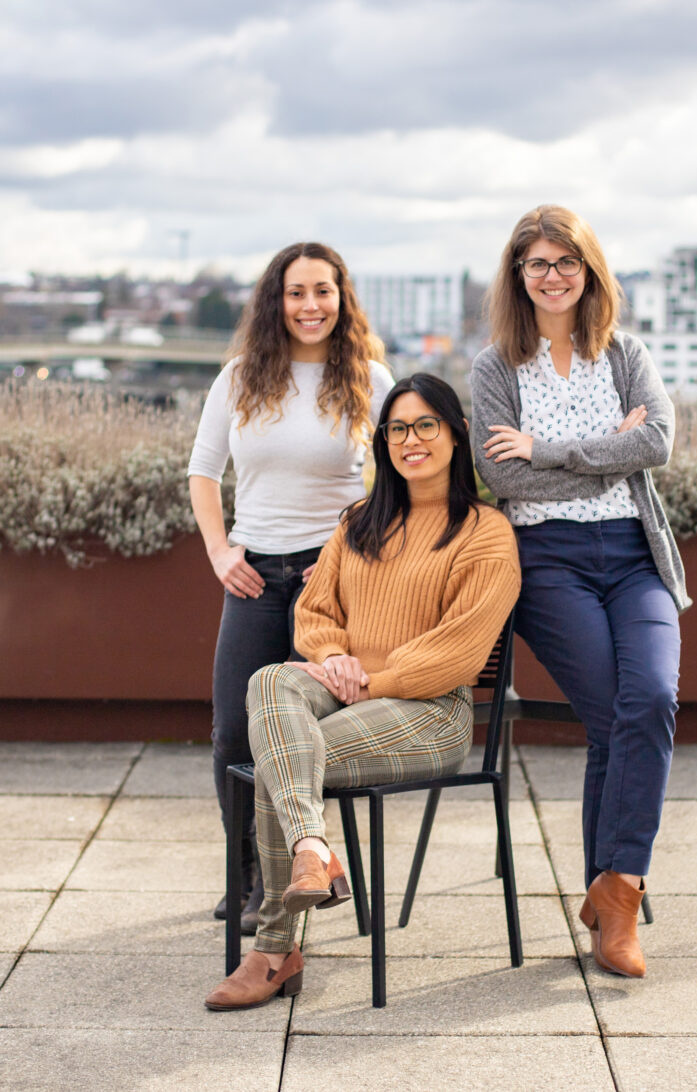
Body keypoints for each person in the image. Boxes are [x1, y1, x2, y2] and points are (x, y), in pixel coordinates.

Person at [205, 373, 519, 1010]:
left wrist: (371, 678)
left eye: (426, 425)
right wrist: (332, 655)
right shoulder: (358, 522)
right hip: (347, 689)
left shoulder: (486, 533)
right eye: (398, 428)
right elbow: (314, 613)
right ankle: (314, 848)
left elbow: (457, 650)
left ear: (456, 435)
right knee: (270, 680)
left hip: (430, 712)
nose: (411, 440)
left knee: (280, 756)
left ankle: (273, 949)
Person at [470, 204, 684, 980]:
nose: (553, 276)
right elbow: (503, 475)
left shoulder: (624, 353)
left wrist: (549, 447)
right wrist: (608, 452)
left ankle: (612, 887)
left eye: (567, 262)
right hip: (548, 561)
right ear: (518, 276)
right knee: (612, 714)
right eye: (538, 264)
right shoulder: (496, 368)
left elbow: (655, 443)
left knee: (652, 699)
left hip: (634, 555)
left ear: (588, 271)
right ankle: (619, 899)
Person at [186, 242, 395, 931]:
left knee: (301, 736)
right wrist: (220, 552)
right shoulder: (240, 377)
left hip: (329, 582)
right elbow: (203, 472)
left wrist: (349, 549)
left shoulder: (370, 378)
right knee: (231, 735)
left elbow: (404, 481)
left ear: (343, 298)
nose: (311, 306)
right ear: (276, 301)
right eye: (297, 292)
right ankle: (243, 871)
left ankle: (278, 885)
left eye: (323, 291)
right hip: (252, 576)